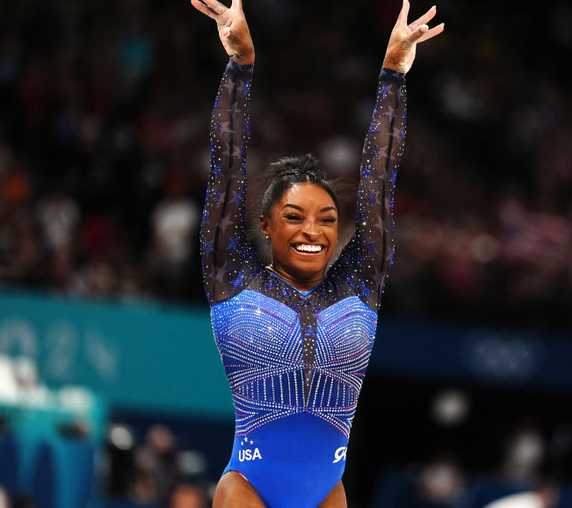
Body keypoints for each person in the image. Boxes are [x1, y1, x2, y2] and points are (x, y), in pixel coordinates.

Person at [190, 0, 443, 506]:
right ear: (265, 225)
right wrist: (240, 66)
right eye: (295, 217)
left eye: (327, 219)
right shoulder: (233, 274)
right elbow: (227, 166)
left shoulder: (358, 282)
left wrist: (394, 74)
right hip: (248, 486)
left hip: (327, 490)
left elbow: (379, 184)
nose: (314, 231)